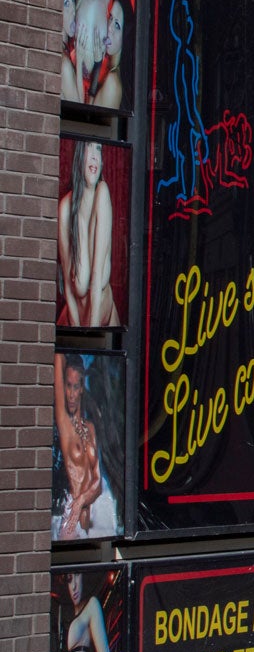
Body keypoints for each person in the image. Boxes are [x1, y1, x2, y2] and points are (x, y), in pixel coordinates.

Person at [53, 353, 116, 539]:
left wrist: (82, 500)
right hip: (70, 520)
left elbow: (97, 484)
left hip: (86, 518)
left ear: (81, 389)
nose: (71, 394)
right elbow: (58, 360)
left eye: (76, 387)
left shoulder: (90, 428)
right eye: (67, 386)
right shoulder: (65, 426)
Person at [57, 140, 118, 328]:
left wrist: (90, 336)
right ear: (78, 157)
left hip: (100, 319)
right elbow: (68, 285)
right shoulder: (66, 207)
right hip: (74, 317)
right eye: (88, 148)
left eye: (98, 149)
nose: (94, 155)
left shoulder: (102, 193)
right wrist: (77, 331)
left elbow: (97, 274)